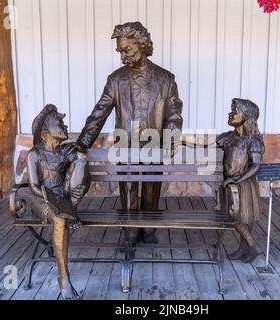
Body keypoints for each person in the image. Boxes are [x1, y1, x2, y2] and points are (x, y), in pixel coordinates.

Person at [77, 22, 183, 244]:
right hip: (125, 145)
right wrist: (81, 143)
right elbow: (99, 114)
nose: (123, 55)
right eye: (120, 51)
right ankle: (129, 231)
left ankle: (149, 229)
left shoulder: (166, 79)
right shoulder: (116, 80)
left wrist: (172, 137)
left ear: (142, 44)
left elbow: (174, 112)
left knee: (152, 188)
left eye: (128, 49)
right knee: (128, 187)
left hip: (155, 145)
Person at [27, 104, 91, 300]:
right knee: (60, 219)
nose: (64, 125)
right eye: (59, 122)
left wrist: (80, 157)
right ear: (46, 129)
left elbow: (82, 180)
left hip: (64, 199)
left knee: (81, 162)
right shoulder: (35, 154)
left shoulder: (65, 152)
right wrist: (52, 201)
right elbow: (34, 186)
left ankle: (67, 210)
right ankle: (63, 278)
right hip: (41, 200)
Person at [217, 98, 265, 263]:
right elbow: (205, 146)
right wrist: (182, 142)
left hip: (244, 185)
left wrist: (237, 180)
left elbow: (255, 166)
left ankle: (251, 246)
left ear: (247, 116)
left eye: (235, 111)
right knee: (235, 216)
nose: (230, 113)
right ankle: (245, 248)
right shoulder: (227, 138)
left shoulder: (253, 141)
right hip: (230, 185)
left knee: (241, 217)